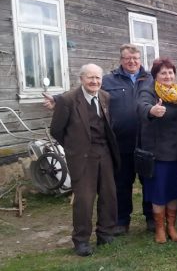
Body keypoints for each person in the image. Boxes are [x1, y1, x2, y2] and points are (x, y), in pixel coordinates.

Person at [43, 44, 154, 235]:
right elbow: (83, 91)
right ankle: (120, 221)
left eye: (135, 58)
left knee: (149, 181)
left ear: (140, 60)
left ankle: (151, 218)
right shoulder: (109, 80)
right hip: (120, 143)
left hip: (146, 141)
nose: (132, 61)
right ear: (121, 60)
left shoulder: (150, 79)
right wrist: (57, 99)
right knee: (121, 184)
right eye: (127, 58)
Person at [50, 64, 120, 256]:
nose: (94, 81)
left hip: (104, 153)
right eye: (90, 78)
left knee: (109, 195)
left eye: (98, 78)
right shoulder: (68, 100)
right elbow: (56, 130)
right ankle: (81, 240)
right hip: (82, 157)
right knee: (84, 200)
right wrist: (74, 147)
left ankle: (105, 233)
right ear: (81, 79)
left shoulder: (105, 97)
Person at [137, 57, 177, 244]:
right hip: (157, 153)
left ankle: (171, 226)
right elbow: (141, 106)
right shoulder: (149, 91)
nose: (167, 76)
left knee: (173, 191)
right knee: (158, 192)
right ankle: (159, 229)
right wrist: (151, 111)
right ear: (155, 75)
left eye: (170, 72)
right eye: (163, 73)